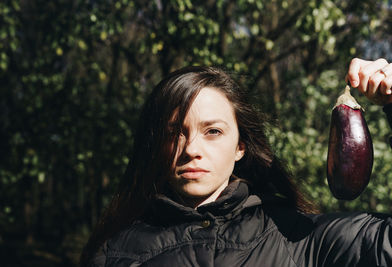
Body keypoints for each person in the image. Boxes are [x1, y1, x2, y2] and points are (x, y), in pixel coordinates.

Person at [81, 58, 392, 267]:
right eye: (175, 133)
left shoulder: (301, 239)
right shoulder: (113, 254)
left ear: (240, 146)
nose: (192, 149)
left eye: (213, 131)